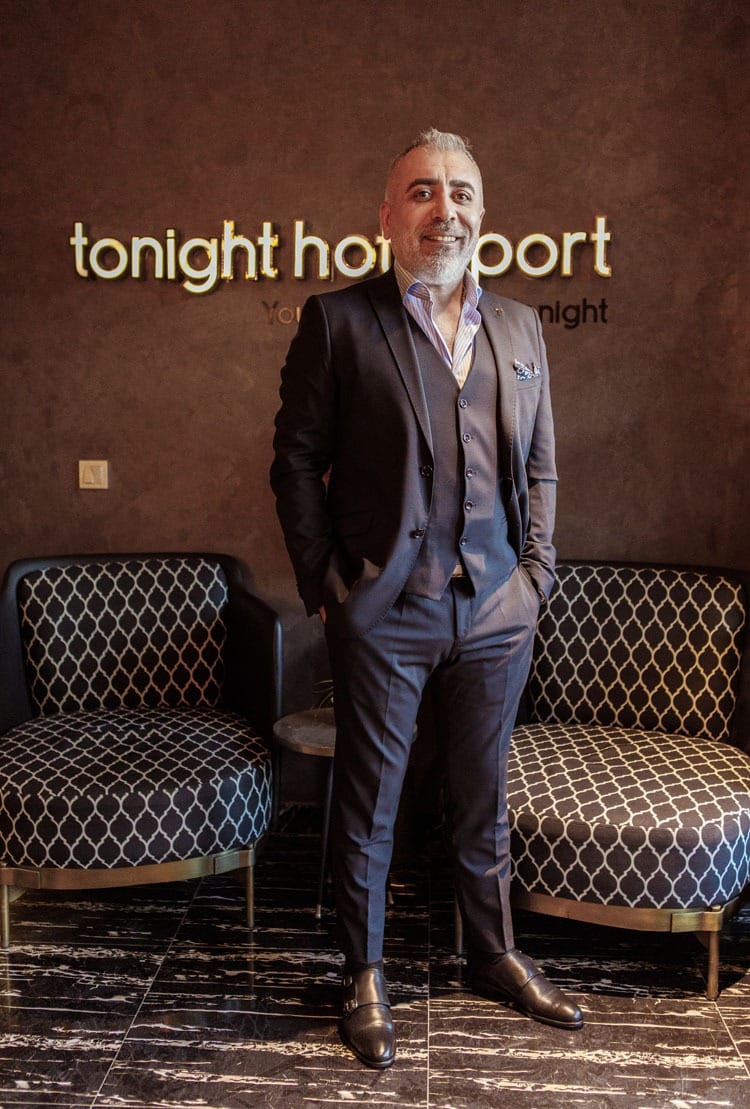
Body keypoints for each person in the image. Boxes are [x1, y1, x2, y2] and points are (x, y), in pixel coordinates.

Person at [270, 127, 582, 1069]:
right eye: (423, 192)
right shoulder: (339, 320)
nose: (446, 209)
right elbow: (295, 460)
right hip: (385, 610)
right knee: (370, 799)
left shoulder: (520, 326)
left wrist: (535, 576)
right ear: (387, 215)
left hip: (497, 608)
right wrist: (330, 586)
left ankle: (493, 951)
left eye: (462, 192)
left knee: (482, 793)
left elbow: (541, 466)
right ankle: (363, 970)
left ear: (483, 212)